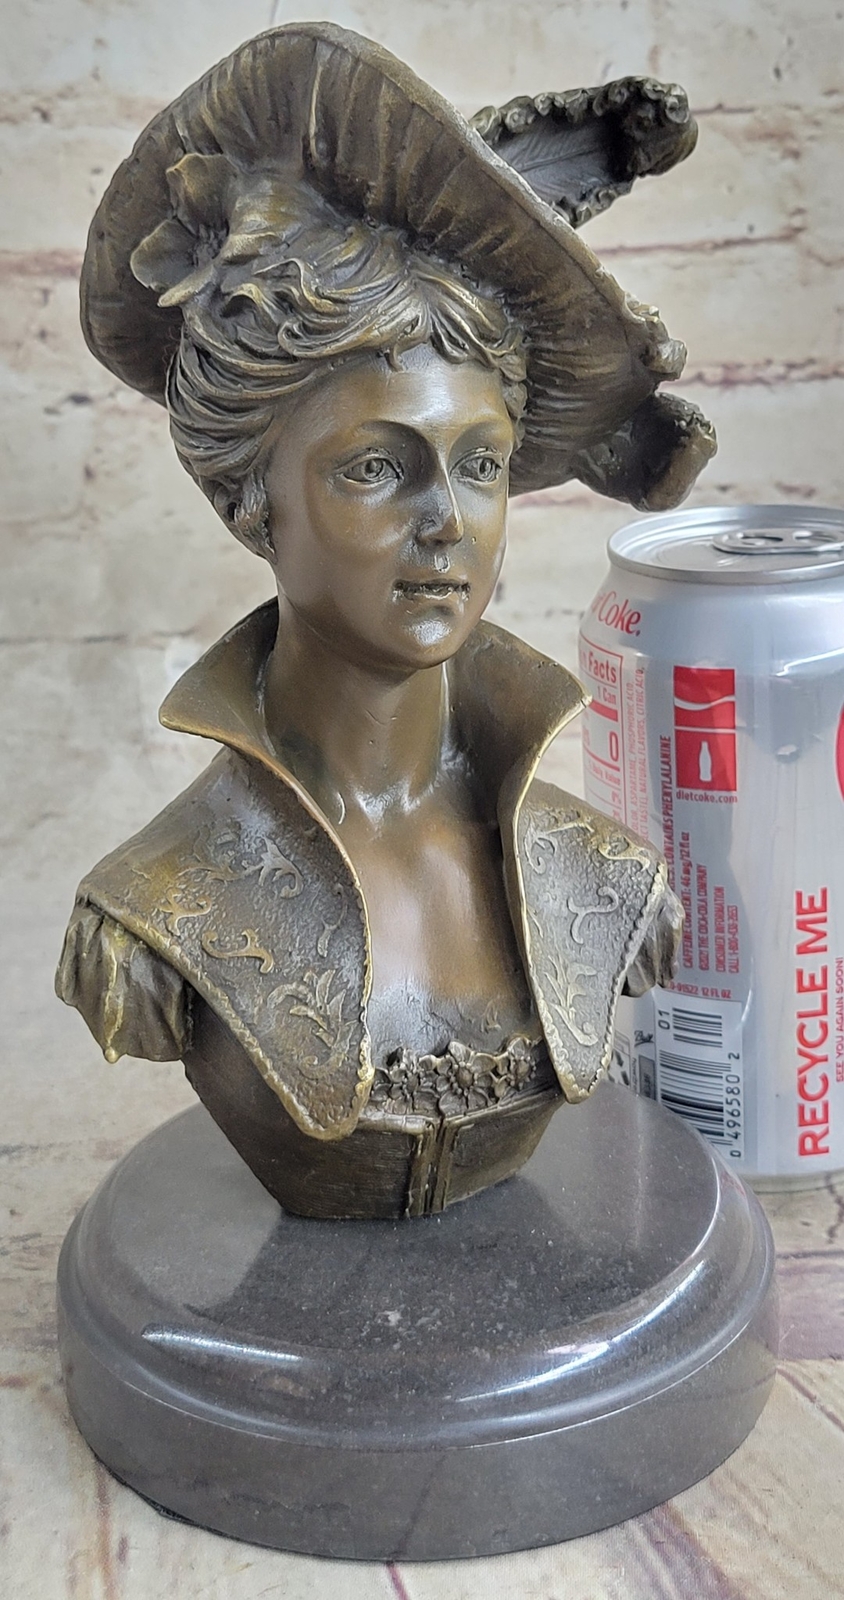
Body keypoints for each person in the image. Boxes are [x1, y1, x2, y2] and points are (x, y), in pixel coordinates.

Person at [57, 23, 710, 1218]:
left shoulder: (611, 880)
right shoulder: (153, 914)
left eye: (480, 465)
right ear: (250, 499)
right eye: (376, 467)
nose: (447, 523)